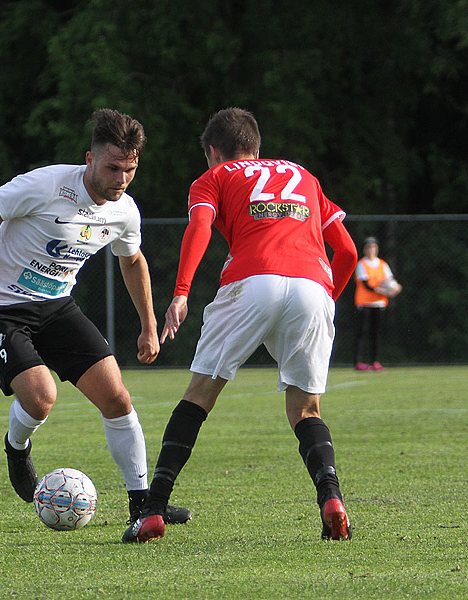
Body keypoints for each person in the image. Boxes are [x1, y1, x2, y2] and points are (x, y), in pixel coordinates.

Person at [123, 108, 359, 544]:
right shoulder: (303, 175)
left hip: (251, 280)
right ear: (256, 145)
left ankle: (152, 512)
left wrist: (181, 291)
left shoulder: (213, 177)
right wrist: (327, 298)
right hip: (312, 283)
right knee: (306, 409)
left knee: (200, 395)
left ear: (213, 150)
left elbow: (199, 227)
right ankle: (331, 498)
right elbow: (346, 251)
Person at [0, 108, 191, 526]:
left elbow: (132, 261)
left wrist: (149, 325)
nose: (121, 179)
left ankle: (143, 505)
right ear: (89, 159)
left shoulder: (125, 211)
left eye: (130, 170)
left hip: (56, 306)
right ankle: (17, 448)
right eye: (113, 167)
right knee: (42, 396)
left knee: (117, 398)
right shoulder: (44, 185)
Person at [353, 236, 401, 371]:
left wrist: (396, 287)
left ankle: (375, 361)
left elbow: (389, 280)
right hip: (364, 303)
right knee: (361, 333)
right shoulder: (362, 264)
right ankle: (358, 361)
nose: (371, 250)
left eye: (373, 247)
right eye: (368, 247)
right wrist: (383, 291)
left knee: (376, 334)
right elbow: (366, 284)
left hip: (378, 304)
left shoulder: (382, 264)